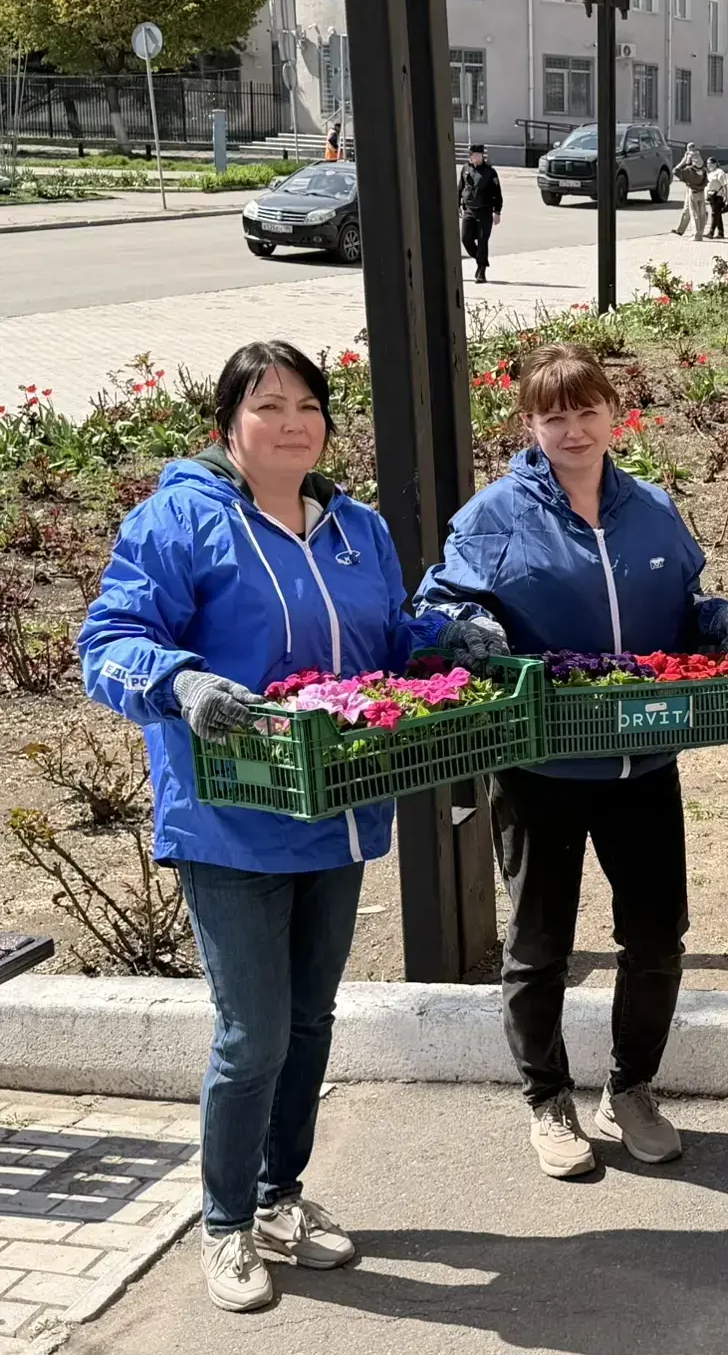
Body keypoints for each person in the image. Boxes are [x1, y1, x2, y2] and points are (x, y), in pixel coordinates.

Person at [76, 342, 505, 1314]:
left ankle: (280, 1200)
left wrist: (443, 640)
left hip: (336, 813)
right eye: (269, 406)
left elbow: (386, 636)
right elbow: (109, 641)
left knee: (311, 1020)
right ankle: (225, 1223)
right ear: (228, 425)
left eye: (308, 405)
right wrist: (179, 681)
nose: (293, 423)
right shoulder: (180, 521)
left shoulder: (357, 528)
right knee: (253, 1034)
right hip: (229, 820)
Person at [415, 344, 728, 1181]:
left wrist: (714, 621)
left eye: (586, 410)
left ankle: (630, 1089)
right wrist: (471, 633)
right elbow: (442, 602)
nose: (572, 430)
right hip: (543, 767)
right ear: (529, 425)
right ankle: (547, 1101)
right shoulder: (495, 517)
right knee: (540, 945)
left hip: (644, 764)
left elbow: (682, 602)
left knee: (657, 938)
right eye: (553, 416)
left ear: (613, 414)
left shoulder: (651, 508)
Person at [458, 143, 503, 284]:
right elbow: (460, 188)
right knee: (466, 239)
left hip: (485, 211)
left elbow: (497, 193)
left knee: (483, 241)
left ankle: (481, 272)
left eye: (477, 155)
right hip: (469, 210)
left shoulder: (490, 172)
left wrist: (497, 212)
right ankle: (481, 259)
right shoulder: (465, 169)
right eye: (472, 155)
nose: (474, 158)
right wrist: (457, 204)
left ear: (482, 156)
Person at [673, 143, 709, 240]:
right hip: (701, 192)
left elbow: (675, 171)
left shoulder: (689, 171)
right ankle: (684, 230)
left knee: (694, 213)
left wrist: (683, 161)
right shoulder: (703, 171)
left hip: (692, 192)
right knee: (700, 213)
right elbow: (706, 181)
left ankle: (697, 235)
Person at [705, 163, 728, 241]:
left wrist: (726, 197)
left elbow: (724, 185)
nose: (708, 165)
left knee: (714, 214)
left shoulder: (720, 172)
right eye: (707, 164)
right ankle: (720, 233)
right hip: (711, 196)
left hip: (718, 196)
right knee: (717, 214)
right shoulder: (710, 173)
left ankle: (711, 232)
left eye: (710, 163)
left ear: (715, 164)